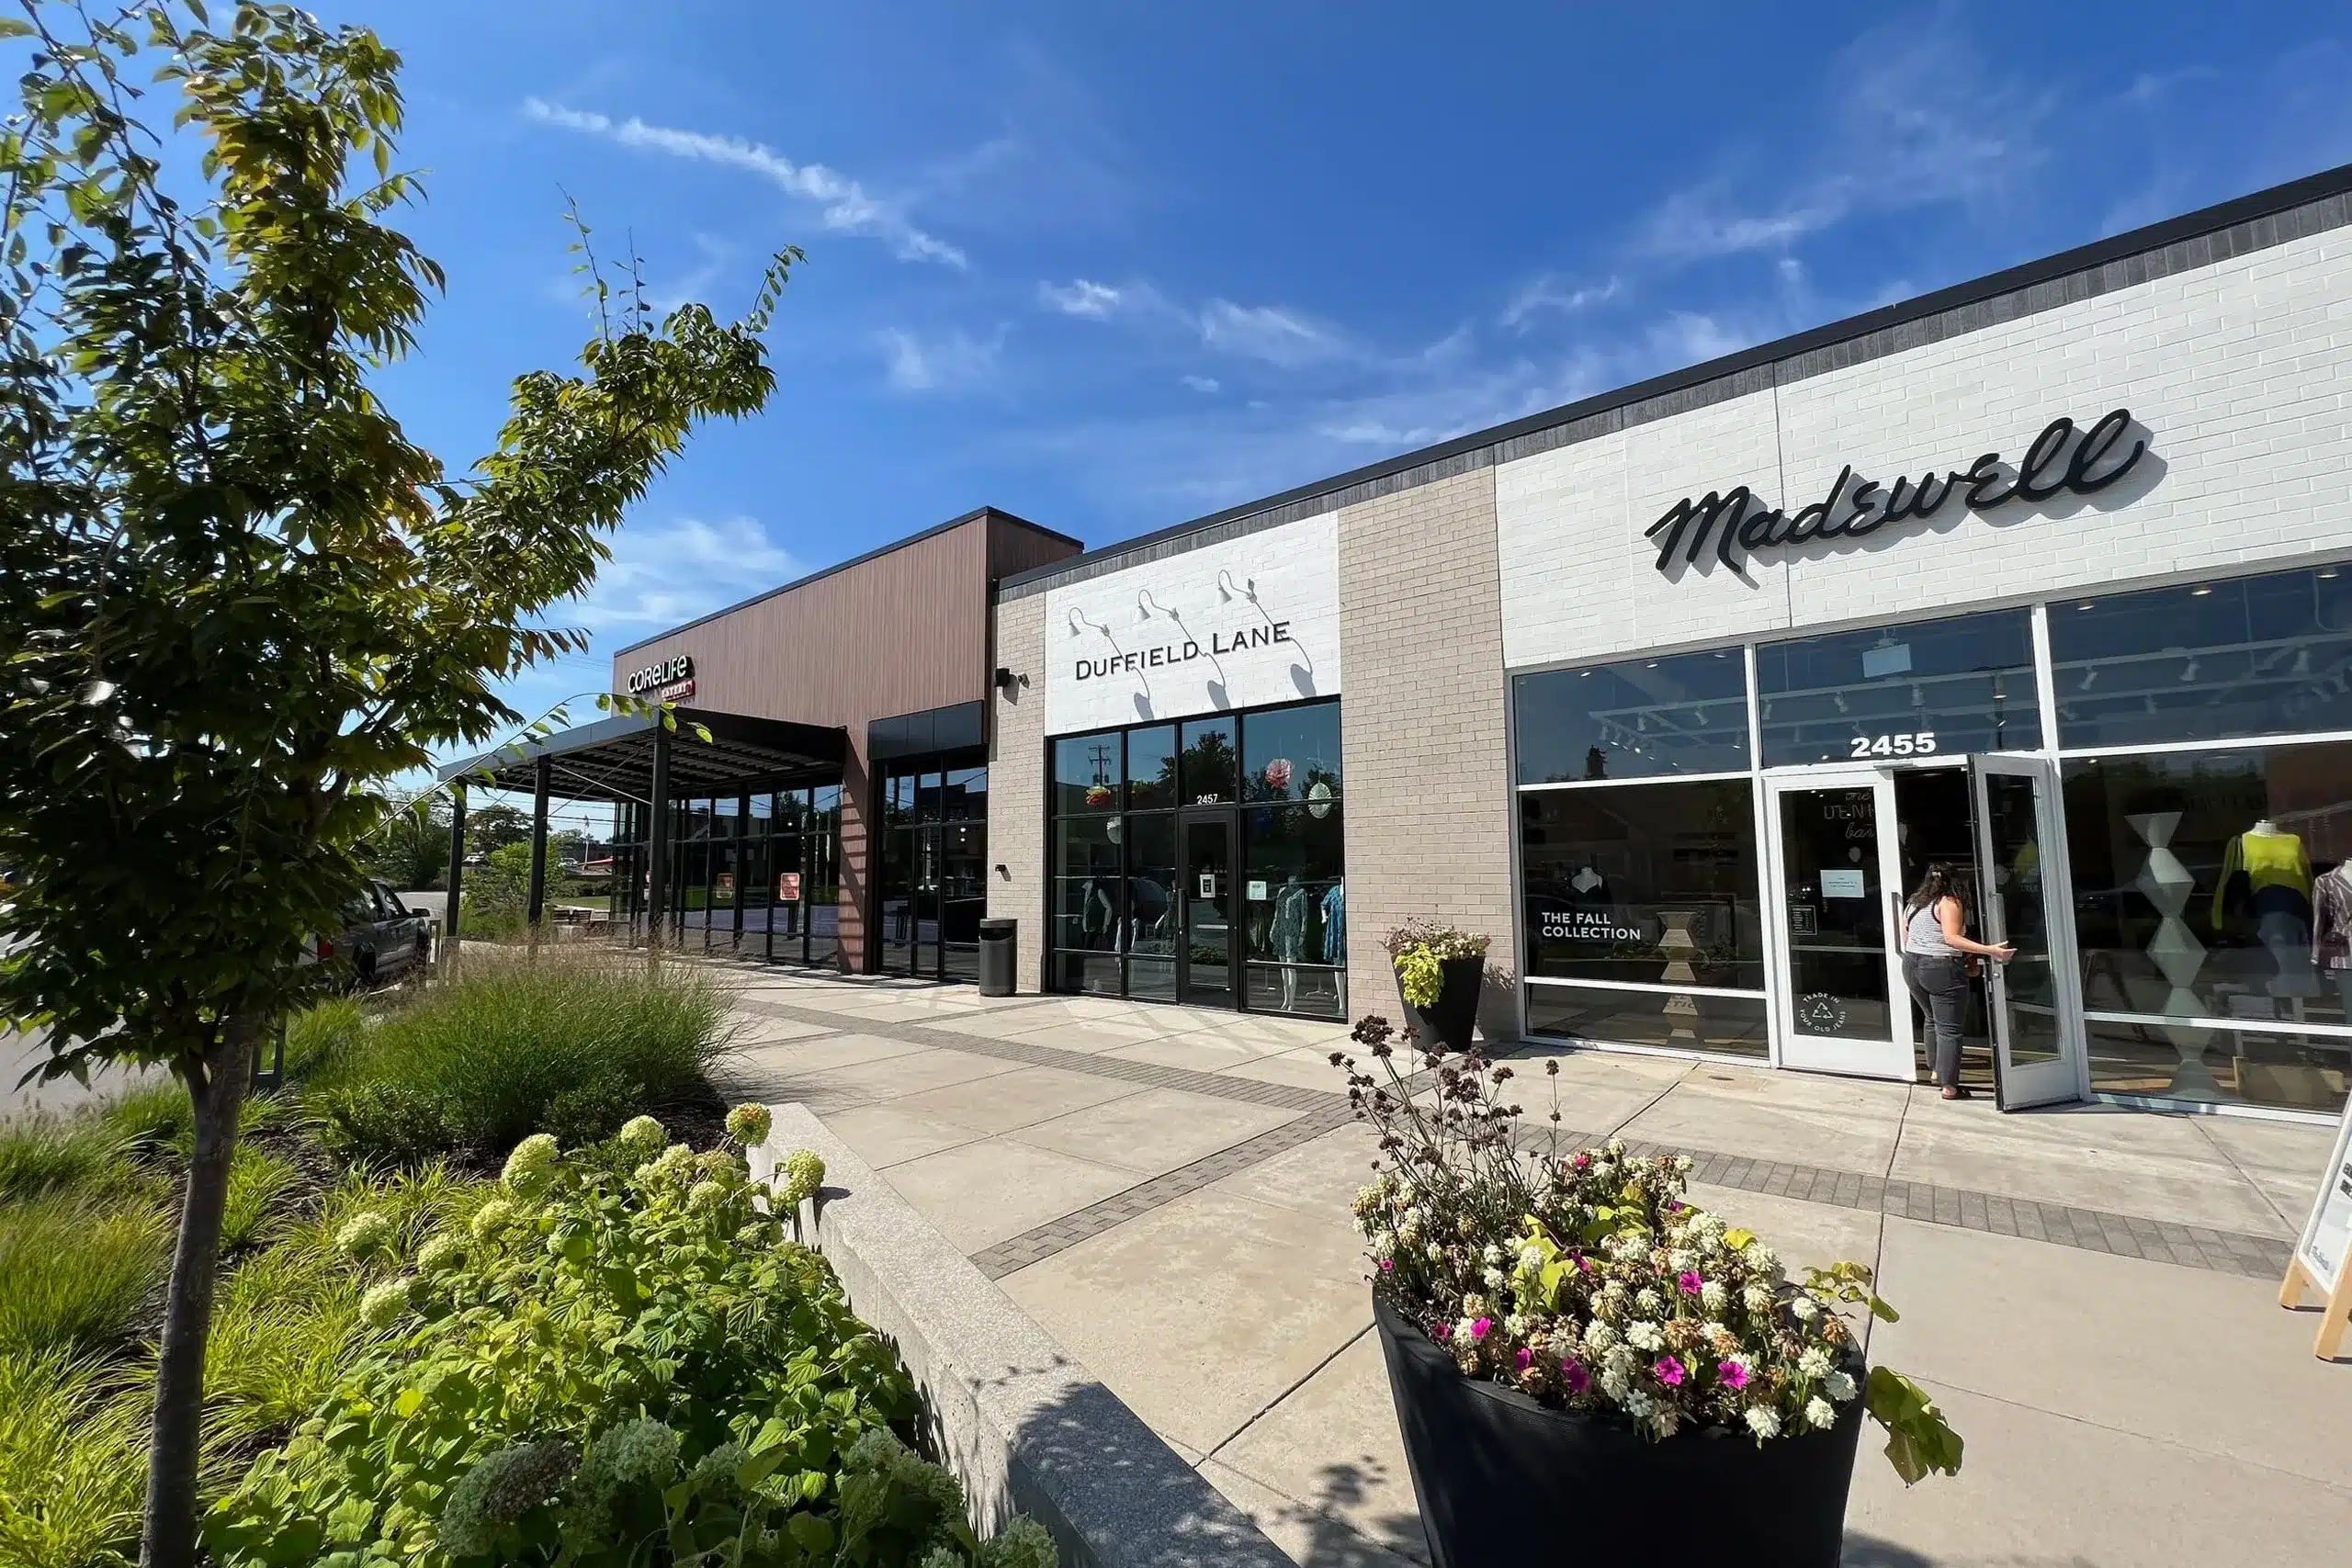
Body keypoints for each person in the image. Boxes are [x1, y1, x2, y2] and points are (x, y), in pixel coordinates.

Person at [1901, 863, 2012, 1100]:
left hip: (1911, 964)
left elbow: (1907, 936)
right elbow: (1951, 938)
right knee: (1949, 1029)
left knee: (1931, 1019)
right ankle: (1949, 1086)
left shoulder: (1914, 902)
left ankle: (1936, 1071)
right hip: (1940, 968)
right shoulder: (1949, 902)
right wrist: (1990, 950)